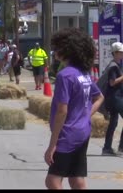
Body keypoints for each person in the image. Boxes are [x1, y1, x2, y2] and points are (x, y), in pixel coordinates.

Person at [44, 28, 104, 190]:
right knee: (76, 179)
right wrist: (85, 115)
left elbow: (62, 111)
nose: (54, 51)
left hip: (67, 135)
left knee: (53, 181)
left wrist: (52, 145)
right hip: (82, 132)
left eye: (57, 47)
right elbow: (99, 97)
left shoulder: (65, 75)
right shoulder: (82, 74)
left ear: (67, 50)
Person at [102, 42, 123, 156]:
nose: (122, 54)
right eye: (120, 52)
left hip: (114, 97)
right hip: (115, 98)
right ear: (115, 53)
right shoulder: (113, 66)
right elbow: (112, 82)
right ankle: (121, 147)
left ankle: (107, 148)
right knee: (113, 122)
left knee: (113, 123)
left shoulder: (117, 65)